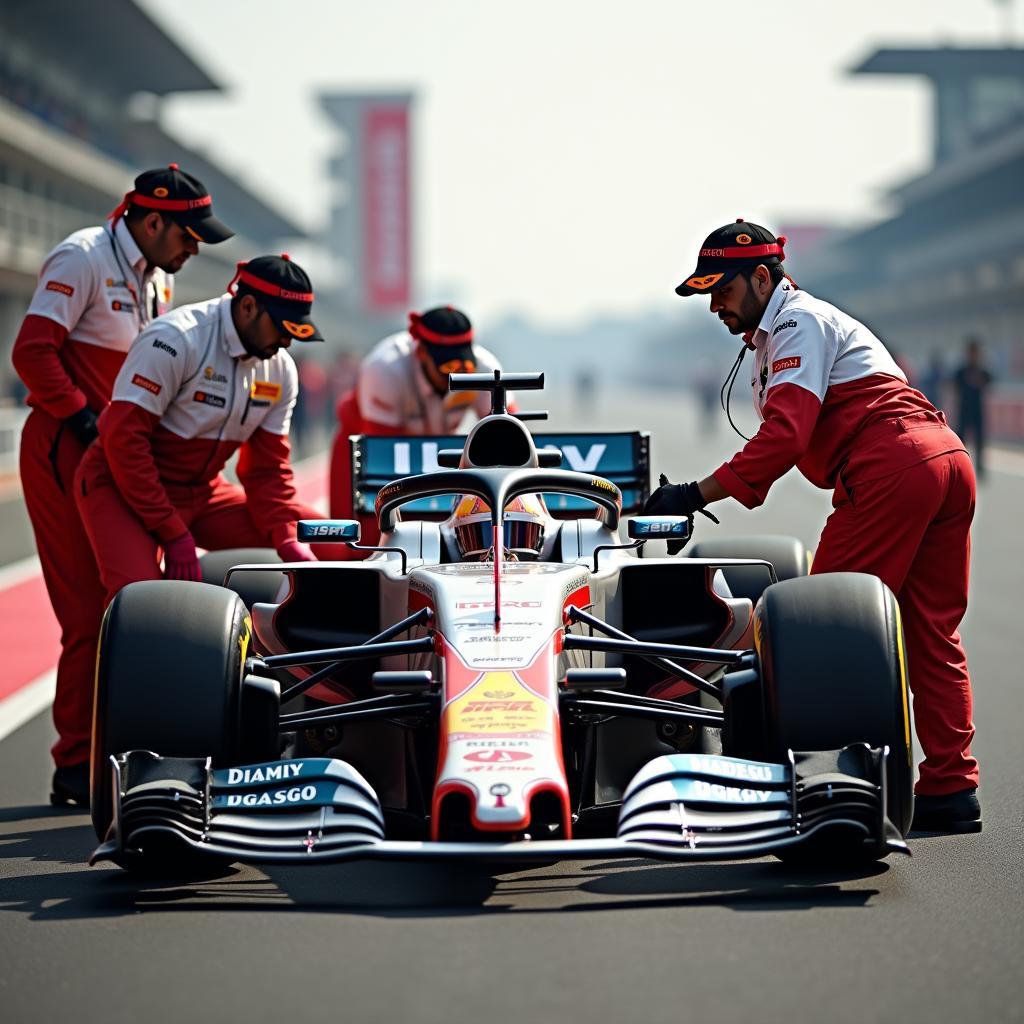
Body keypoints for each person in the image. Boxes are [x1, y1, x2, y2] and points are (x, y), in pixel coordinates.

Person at [647, 218, 981, 833]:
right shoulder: (784, 333)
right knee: (930, 631)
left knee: (816, 630)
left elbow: (786, 435)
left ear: (764, 277)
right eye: (707, 294)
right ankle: (951, 787)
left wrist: (694, 493)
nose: (715, 305)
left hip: (891, 466)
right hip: (944, 458)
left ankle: (824, 785)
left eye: (722, 289)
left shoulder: (797, 321)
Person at [11, 163, 233, 806]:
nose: (194, 248)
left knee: (129, 606)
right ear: (153, 219)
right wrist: (85, 420)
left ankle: (127, 749)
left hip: (113, 457)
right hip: (62, 448)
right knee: (88, 616)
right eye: (188, 235)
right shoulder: (82, 256)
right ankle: (76, 765)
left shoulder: (156, 279)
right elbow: (31, 352)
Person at [75, 254, 338, 641]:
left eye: (295, 333)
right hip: (119, 486)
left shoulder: (280, 368)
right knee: (142, 609)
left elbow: (268, 470)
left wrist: (285, 536)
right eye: (282, 329)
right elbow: (123, 442)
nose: (287, 342)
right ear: (248, 306)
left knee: (329, 542)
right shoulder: (176, 339)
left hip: (202, 493)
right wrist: (172, 532)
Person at [329, 306, 505, 545]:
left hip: (432, 451)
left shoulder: (486, 369)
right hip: (365, 449)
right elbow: (384, 459)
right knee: (363, 540)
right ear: (421, 353)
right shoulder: (385, 368)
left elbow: (508, 437)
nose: (453, 377)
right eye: (446, 368)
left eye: (463, 368)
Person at [953, 337, 993, 480]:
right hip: (964, 409)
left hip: (978, 410)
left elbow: (991, 380)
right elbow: (953, 384)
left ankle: (980, 468)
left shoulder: (983, 371)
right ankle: (960, 467)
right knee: (961, 440)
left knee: (980, 440)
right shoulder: (962, 371)